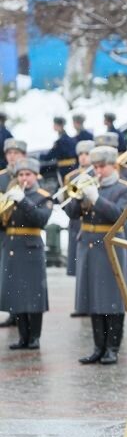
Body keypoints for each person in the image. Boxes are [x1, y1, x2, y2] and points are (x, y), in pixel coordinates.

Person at [62, 145, 127, 366]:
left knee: (111, 299)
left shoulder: (123, 189)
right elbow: (71, 214)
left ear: (113, 166)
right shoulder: (91, 184)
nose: (98, 170)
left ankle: (112, 347)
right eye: (96, 166)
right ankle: (98, 347)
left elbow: (119, 215)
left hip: (109, 248)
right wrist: (77, 197)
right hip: (88, 247)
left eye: (102, 166)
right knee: (93, 298)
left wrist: (96, 199)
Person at [0, 158, 52, 350]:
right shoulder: (11, 194)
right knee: (17, 294)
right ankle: (23, 337)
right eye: (20, 174)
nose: (24, 178)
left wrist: (22, 201)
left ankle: (35, 337)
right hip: (12, 248)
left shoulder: (42, 196)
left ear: (36, 175)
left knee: (34, 294)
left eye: (27, 174)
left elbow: (41, 219)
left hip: (31, 249)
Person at [0, 138, 28, 329]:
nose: (12, 157)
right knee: (6, 273)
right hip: (3, 230)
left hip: (22, 230)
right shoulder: (1, 177)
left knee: (22, 275)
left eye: (16, 153)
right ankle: (12, 311)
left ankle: (24, 314)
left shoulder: (28, 175)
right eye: (9, 153)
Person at [63, 140, 96, 295]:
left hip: (93, 222)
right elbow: (66, 200)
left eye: (87, 154)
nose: (83, 158)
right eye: (80, 154)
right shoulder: (72, 177)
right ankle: (81, 302)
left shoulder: (97, 174)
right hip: (77, 222)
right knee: (79, 267)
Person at [41, 116, 78, 185]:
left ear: (58, 125)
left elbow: (50, 155)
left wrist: (41, 157)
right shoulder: (71, 139)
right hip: (74, 167)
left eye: (54, 125)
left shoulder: (60, 142)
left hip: (64, 170)